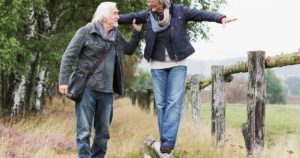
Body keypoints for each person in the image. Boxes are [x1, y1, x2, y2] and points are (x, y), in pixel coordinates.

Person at [119, 0, 236, 156]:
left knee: (174, 101)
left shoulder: (180, 11)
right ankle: (165, 144)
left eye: (152, 1)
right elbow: (129, 17)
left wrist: (220, 17)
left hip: (178, 63)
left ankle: (167, 144)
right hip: (157, 65)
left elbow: (201, 14)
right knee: (160, 104)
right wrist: (110, 18)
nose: (149, 3)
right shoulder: (147, 15)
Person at [58, 2, 142, 157]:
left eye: (118, 13)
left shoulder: (116, 35)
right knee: (83, 132)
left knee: (103, 134)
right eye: (115, 13)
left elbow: (129, 50)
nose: (118, 16)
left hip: (107, 92)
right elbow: (68, 56)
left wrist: (136, 32)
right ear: (104, 17)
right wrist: (63, 81)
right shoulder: (86, 32)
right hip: (87, 90)